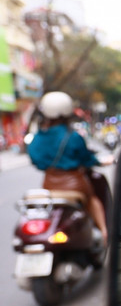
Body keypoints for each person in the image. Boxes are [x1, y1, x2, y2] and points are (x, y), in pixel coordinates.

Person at [27, 91, 109, 242]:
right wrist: (98, 161)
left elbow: (36, 161)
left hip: (49, 186)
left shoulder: (37, 138)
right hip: (76, 185)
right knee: (93, 200)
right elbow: (87, 159)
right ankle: (105, 233)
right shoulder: (73, 136)